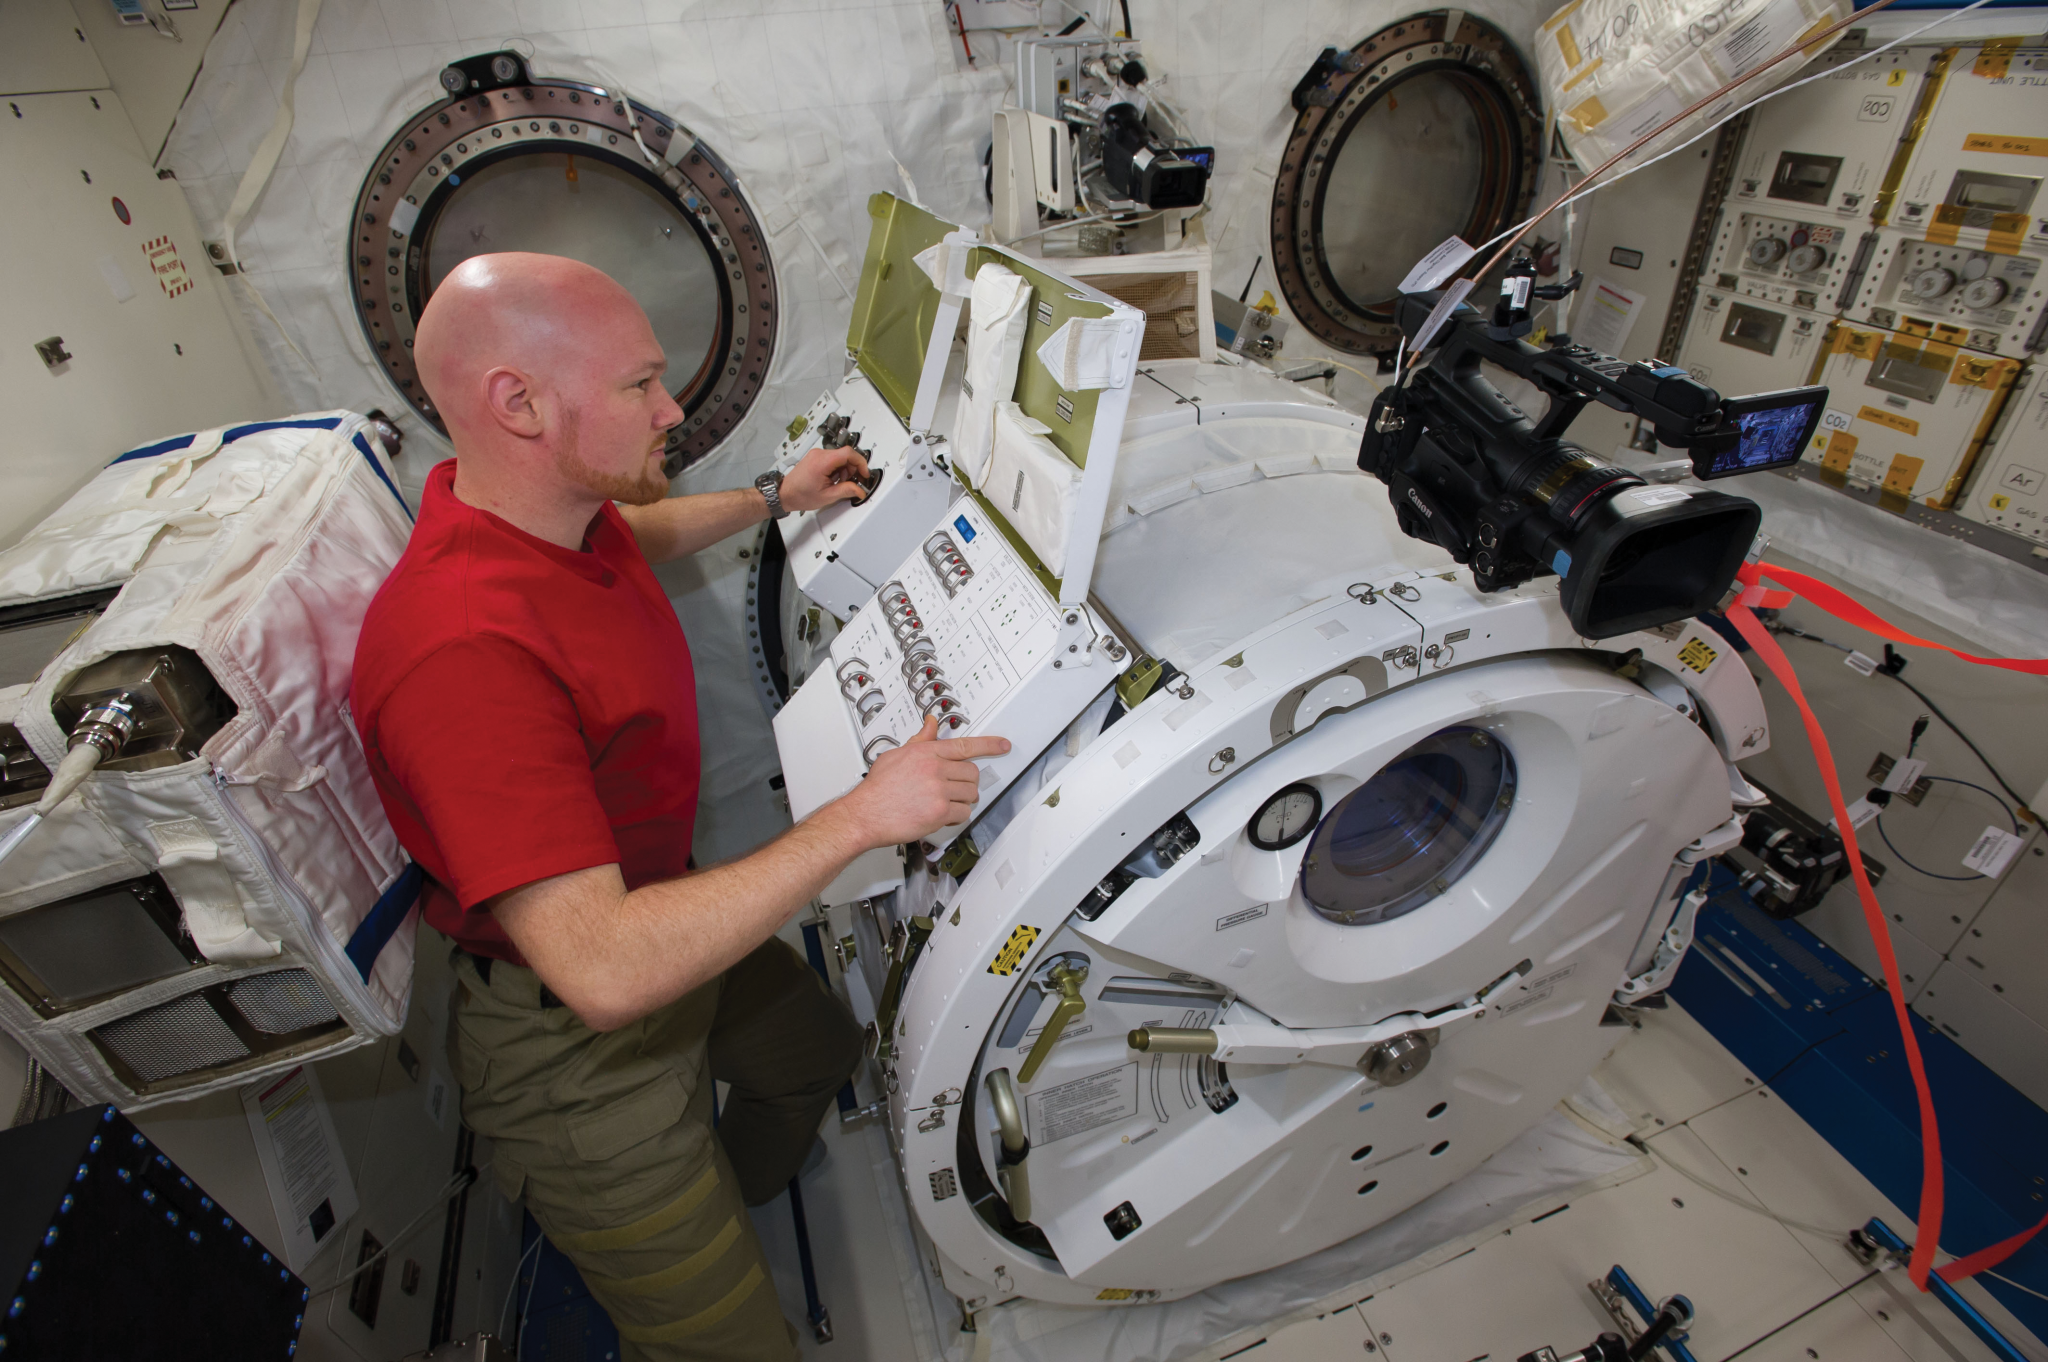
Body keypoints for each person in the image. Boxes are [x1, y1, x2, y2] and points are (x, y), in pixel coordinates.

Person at [350, 252, 1008, 1361]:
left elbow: (635, 540)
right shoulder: (459, 654)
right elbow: (602, 970)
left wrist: (771, 497)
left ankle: (724, 1200)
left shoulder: (547, 510)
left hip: (658, 917)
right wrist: (858, 816)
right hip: (573, 1042)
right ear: (517, 403)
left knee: (813, 1054)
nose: (670, 408)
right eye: (638, 387)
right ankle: (682, 1238)